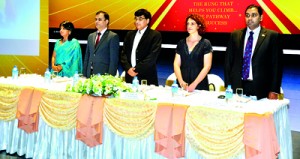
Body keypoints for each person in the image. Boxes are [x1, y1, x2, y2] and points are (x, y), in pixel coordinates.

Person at [224, 4, 283, 100]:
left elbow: (277, 65)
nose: (250, 18)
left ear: (261, 17)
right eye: (247, 15)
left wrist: (274, 90)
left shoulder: (272, 36)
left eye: (254, 15)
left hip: (261, 89)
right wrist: (228, 85)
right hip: (238, 87)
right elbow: (228, 62)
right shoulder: (235, 35)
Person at [120, 9, 162, 86]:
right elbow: (123, 54)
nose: (137, 21)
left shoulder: (155, 35)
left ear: (148, 21)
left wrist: (136, 70)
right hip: (129, 76)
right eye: (136, 19)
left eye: (140, 19)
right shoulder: (129, 34)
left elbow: (152, 57)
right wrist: (128, 69)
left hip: (146, 77)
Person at [173, 14, 213, 91]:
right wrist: (181, 82)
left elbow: (207, 67)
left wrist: (194, 84)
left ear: (198, 26)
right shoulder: (181, 43)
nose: (189, 26)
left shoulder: (205, 43)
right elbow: (176, 64)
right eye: (188, 23)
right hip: (182, 84)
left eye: (192, 23)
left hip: (199, 85)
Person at [83, 11, 120, 78]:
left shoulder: (112, 36)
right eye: (96, 19)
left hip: (104, 75)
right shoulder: (91, 36)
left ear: (106, 21)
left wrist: (110, 78)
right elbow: (87, 57)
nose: (97, 21)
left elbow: (113, 60)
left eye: (99, 19)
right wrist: (84, 74)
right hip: (89, 74)